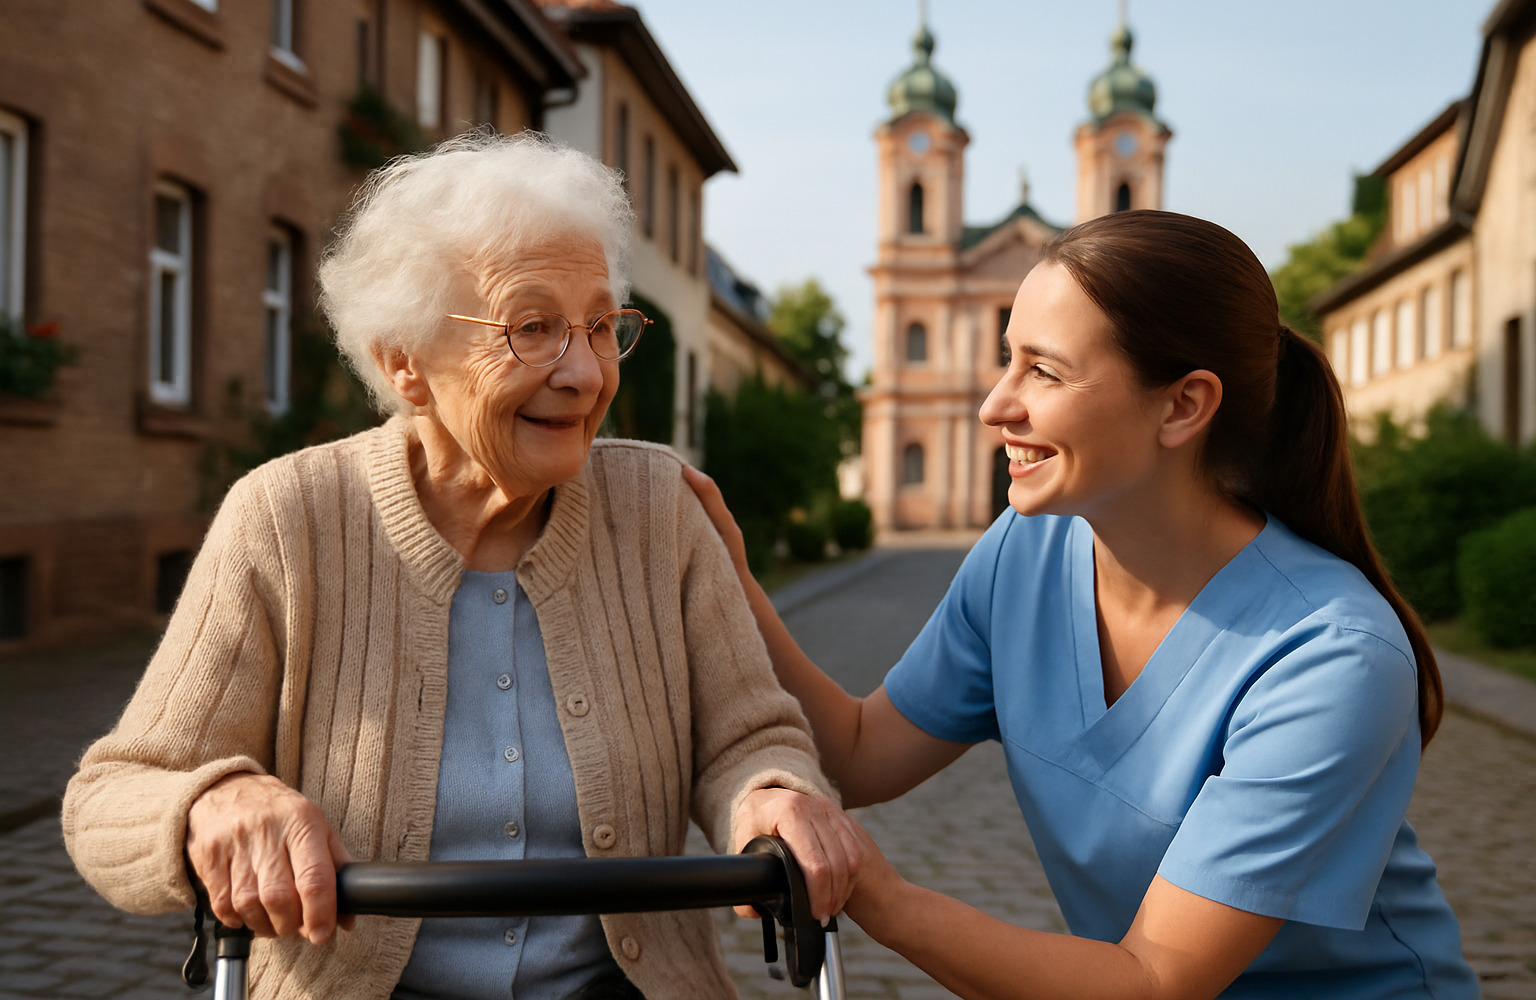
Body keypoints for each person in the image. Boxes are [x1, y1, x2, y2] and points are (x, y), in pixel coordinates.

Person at [62, 132, 858, 1000]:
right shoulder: (288, 519)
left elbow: (751, 736)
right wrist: (210, 805)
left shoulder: (660, 511)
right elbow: (111, 798)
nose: (587, 374)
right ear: (404, 360)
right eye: (532, 328)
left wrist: (773, 795)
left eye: (599, 326)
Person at [687, 210, 1480, 1000]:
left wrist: (874, 892)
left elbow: (1155, 979)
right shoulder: (1025, 554)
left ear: (1182, 406)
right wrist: (724, 576)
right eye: (1008, 360)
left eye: (1044, 371)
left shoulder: (1332, 655)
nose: (995, 405)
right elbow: (858, 751)